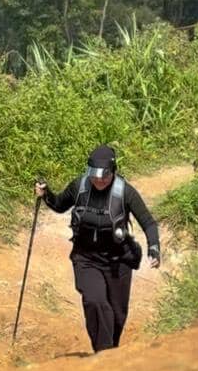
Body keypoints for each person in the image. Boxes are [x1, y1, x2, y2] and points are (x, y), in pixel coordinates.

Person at [35, 144, 161, 353]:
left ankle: (110, 353)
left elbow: (148, 222)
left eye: (104, 176)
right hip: (86, 258)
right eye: (94, 175)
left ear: (113, 172)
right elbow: (59, 204)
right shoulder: (80, 186)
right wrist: (45, 193)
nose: (99, 180)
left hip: (118, 261)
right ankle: (103, 354)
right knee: (95, 301)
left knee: (117, 315)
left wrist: (154, 248)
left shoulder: (125, 192)